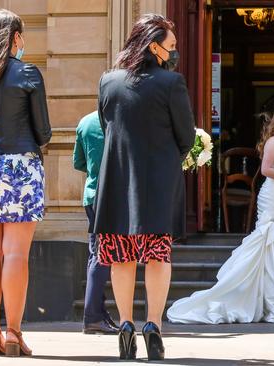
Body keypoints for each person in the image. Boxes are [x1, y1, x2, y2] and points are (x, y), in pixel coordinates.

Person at [93, 14, 195, 360]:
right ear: (154, 46)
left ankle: (124, 325)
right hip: (157, 182)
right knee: (156, 256)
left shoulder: (108, 81)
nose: (175, 52)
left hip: (117, 181)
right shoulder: (171, 83)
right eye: (171, 46)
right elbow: (186, 137)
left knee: (120, 257)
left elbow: (108, 126)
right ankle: (153, 325)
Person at [167, 106, 274, 324]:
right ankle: (263, 296)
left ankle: (272, 295)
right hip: (273, 195)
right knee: (269, 238)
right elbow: (266, 170)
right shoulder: (273, 143)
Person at [0, 9, 51, 357]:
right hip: (21, 165)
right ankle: (15, 333)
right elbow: (44, 131)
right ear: (15, 38)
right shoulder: (28, 73)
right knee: (16, 252)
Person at [72, 111, 118, 335]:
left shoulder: (85, 121)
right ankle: (92, 316)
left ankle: (98, 313)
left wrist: (94, 169)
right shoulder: (120, 119)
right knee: (102, 257)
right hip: (114, 194)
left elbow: (78, 161)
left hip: (91, 195)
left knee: (96, 253)